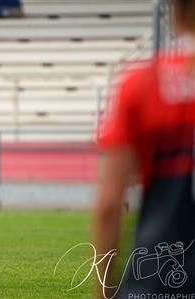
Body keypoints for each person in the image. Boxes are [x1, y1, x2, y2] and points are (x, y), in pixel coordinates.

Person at [95, 0, 195, 298]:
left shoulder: (141, 84)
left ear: (175, 12)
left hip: (160, 278)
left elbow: (110, 205)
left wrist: (103, 291)